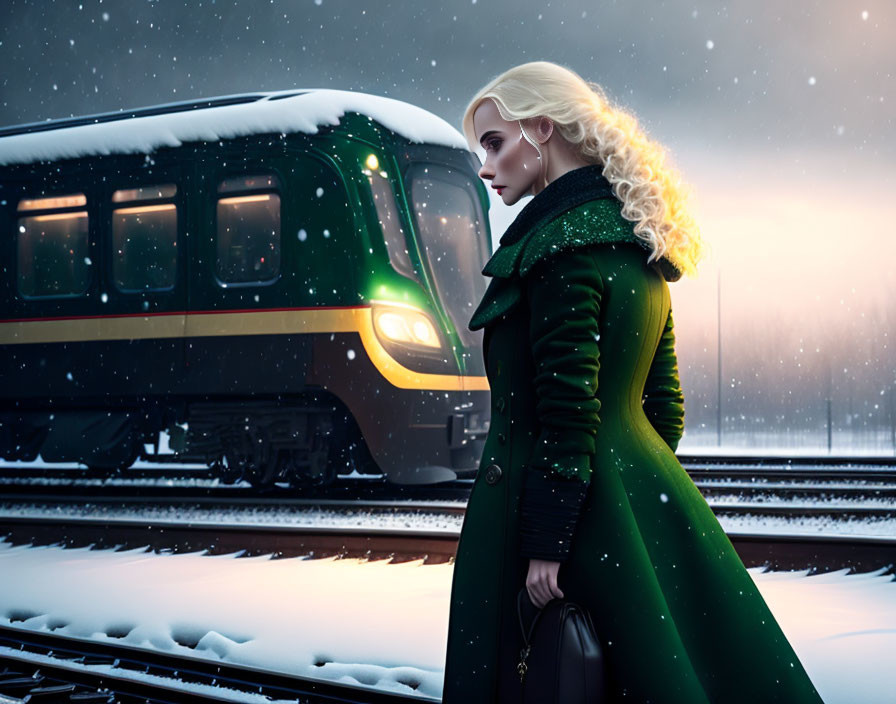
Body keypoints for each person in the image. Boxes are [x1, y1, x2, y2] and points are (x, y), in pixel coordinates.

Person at [442, 61, 825, 704]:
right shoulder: (639, 243)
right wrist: (634, 499)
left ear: (542, 129)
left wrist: (546, 544)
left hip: (563, 511)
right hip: (634, 494)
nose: (486, 166)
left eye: (495, 142)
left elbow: (567, 413)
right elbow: (664, 405)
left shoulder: (560, 251)